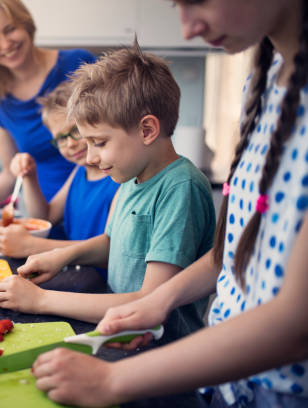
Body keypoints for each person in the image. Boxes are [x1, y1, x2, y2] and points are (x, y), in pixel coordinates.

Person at [29, 1, 308, 407]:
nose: (187, 28)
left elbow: (296, 327)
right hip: (226, 382)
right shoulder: (260, 86)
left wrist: (111, 380)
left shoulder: (179, 185)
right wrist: (157, 302)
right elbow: (230, 255)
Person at [0, 43, 216, 337]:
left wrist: (41, 300)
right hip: (119, 332)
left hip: (159, 348)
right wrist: (63, 257)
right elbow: (114, 243)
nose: (90, 157)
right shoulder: (132, 176)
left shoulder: (179, 189)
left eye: (99, 143)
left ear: (147, 130)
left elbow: (149, 302)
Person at [0, 0, 96, 232]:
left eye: (10, 29)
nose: (5, 44)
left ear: (26, 24)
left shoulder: (78, 64)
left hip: (97, 201)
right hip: (47, 217)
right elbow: (11, 171)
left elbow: (113, 132)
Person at [0, 80, 119, 260]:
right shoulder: (79, 172)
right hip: (78, 274)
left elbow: (110, 250)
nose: (71, 144)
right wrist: (30, 177)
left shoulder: (119, 178)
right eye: (61, 138)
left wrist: (32, 246)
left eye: (76, 131)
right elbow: (45, 218)